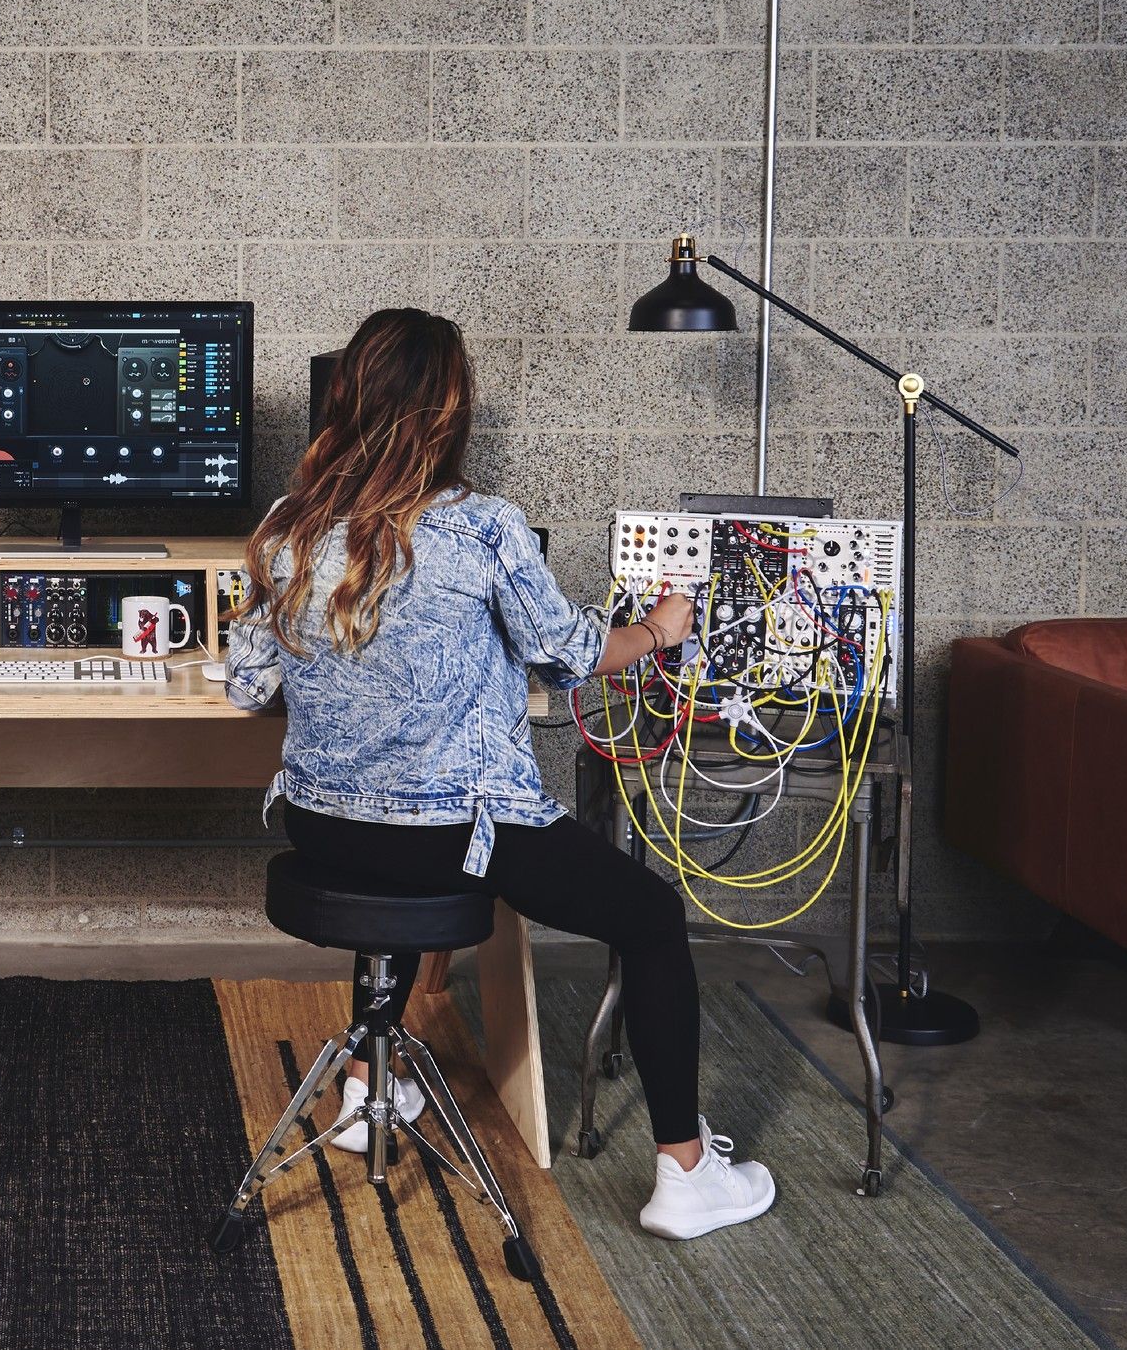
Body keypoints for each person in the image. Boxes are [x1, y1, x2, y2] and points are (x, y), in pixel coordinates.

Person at [224, 307, 776, 1242]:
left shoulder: (287, 529)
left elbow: (245, 686)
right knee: (649, 916)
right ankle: (685, 1174)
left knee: (392, 846)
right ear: (450, 414)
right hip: (455, 831)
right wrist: (657, 632)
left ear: (346, 402)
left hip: (323, 828)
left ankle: (365, 1088)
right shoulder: (484, 530)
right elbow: (568, 654)